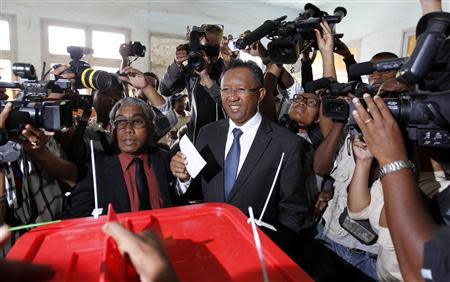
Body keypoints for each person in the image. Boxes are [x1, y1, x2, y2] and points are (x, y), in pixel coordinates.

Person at [170, 60, 308, 253]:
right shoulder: (207, 134)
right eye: (225, 90)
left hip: (257, 249)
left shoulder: (286, 144)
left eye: (241, 90)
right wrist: (184, 178)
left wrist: (273, 252)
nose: (231, 98)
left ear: (260, 94)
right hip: (209, 244)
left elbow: (293, 210)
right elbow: (197, 190)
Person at [65, 97, 174, 218]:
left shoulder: (165, 160)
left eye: (137, 121)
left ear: (151, 128)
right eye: (121, 123)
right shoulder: (95, 170)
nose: (128, 130)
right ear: (113, 130)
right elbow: (75, 216)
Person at [160, 24, 226, 141]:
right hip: (196, 137)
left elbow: (228, 103)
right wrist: (176, 65)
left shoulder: (228, 70)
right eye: (206, 48)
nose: (209, 53)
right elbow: (165, 90)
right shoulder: (191, 71)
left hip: (222, 138)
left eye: (214, 48)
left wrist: (205, 76)